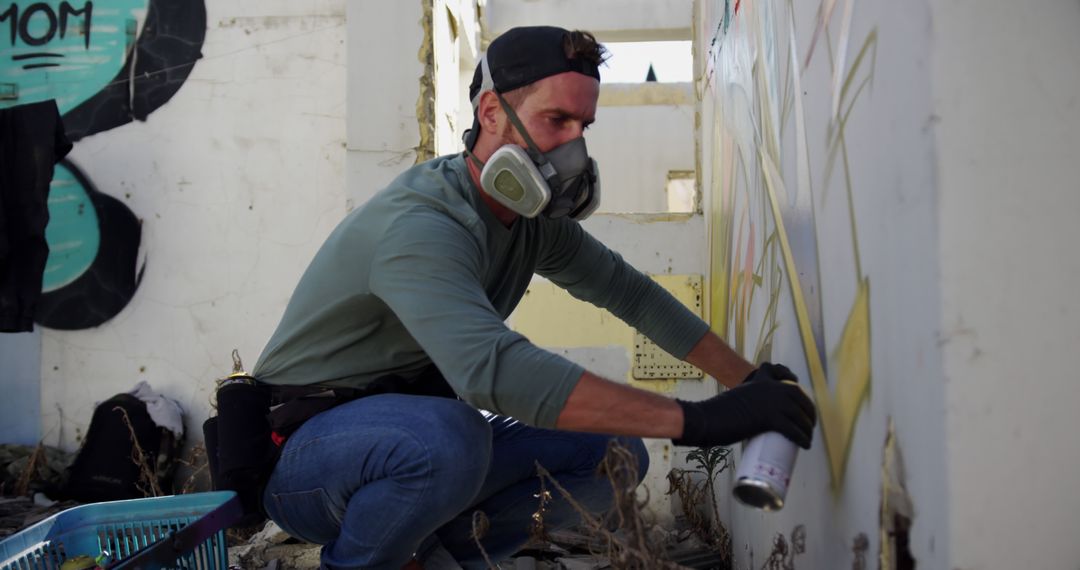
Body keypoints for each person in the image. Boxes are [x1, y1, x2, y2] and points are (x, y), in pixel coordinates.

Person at [251, 26, 816, 570]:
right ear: (491, 111)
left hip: (410, 439)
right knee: (451, 438)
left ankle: (430, 553)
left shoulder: (530, 221)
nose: (574, 147)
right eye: (556, 120)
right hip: (306, 454)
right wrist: (697, 421)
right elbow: (490, 371)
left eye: (583, 126)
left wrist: (747, 384)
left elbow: (633, 296)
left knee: (614, 455)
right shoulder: (422, 223)